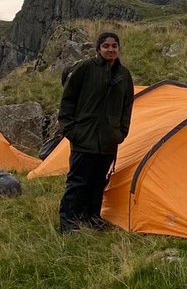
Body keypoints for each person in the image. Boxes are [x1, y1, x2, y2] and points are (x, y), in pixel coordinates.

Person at [56, 32, 134, 232]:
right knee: (77, 182)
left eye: (114, 46)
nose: (110, 49)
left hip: (108, 140)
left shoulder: (124, 75)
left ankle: (92, 218)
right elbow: (68, 100)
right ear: (98, 48)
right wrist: (71, 130)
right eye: (106, 46)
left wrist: (121, 132)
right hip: (84, 137)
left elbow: (127, 105)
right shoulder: (85, 68)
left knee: (98, 182)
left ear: (119, 48)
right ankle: (68, 222)